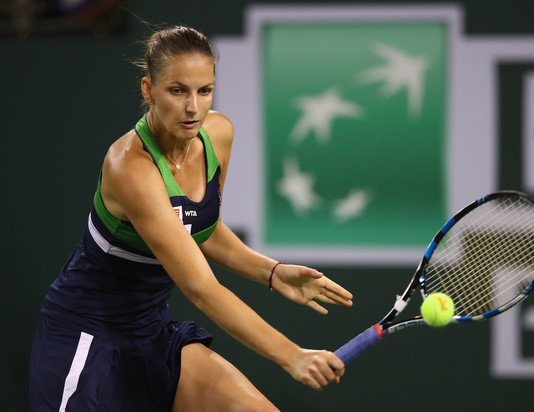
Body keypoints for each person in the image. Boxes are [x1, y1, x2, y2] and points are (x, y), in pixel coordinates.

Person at [29, 25, 353, 411]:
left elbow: (203, 229)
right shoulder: (130, 168)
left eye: (205, 90)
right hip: (88, 340)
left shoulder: (217, 135)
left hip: (153, 333)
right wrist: (290, 354)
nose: (193, 108)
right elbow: (200, 288)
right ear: (149, 90)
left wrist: (271, 271)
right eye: (177, 90)